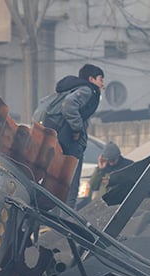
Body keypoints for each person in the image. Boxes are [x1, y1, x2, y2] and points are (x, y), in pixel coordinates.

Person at [44, 64, 105, 208]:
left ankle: (56, 221)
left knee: (58, 187)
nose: (103, 84)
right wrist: (77, 129)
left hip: (60, 142)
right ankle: (67, 224)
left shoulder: (72, 88)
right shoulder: (87, 90)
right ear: (91, 79)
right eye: (101, 79)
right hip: (71, 144)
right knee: (71, 188)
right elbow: (69, 105)